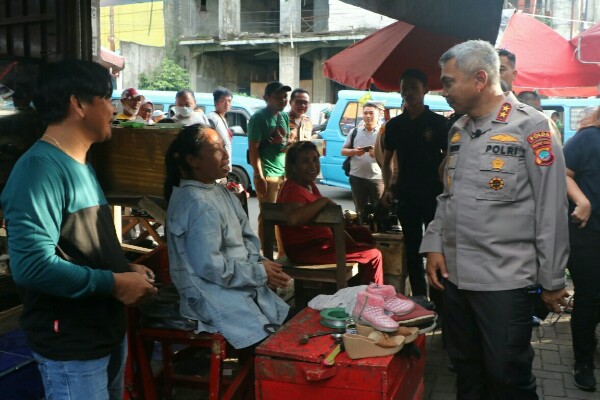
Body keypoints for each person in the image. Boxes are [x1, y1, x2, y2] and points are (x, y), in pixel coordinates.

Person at [0, 59, 157, 399]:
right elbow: (31, 267)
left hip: (104, 332)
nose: (114, 108)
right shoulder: (39, 170)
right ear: (79, 103)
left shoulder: (81, 164)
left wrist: (124, 268)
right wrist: (114, 282)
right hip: (71, 344)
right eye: (107, 98)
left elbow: (78, 245)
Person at [421, 40, 569, 398]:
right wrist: (434, 245)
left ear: (479, 79)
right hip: (456, 281)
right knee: (467, 373)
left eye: (448, 82)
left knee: (507, 378)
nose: (443, 92)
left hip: (504, 284)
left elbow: (551, 208)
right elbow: (448, 196)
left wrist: (552, 281)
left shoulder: (532, 128)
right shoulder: (458, 130)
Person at [164, 123, 290, 349]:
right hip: (212, 293)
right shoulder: (197, 203)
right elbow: (210, 267)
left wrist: (259, 264)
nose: (225, 153)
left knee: (285, 318)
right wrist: (258, 273)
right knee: (272, 345)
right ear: (193, 160)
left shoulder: (220, 191)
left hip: (234, 281)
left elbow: (248, 238)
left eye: (224, 146)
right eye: (216, 149)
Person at [381, 69, 448, 309]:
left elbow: (450, 159)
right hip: (406, 195)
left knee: (436, 247)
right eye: (404, 88)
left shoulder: (439, 124)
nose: (408, 92)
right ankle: (419, 297)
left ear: (425, 90)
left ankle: (440, 299)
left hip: (434, 195)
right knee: (412, 247)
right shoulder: (394, 126)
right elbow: (386, 160)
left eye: (413, 87)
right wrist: (387, 188)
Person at [277, 141, 384, 285]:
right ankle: (372, 297)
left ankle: (356, 288)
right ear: (294, 167)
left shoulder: (309, 185)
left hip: (322, 243)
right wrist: (324, 201)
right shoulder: (292, 189)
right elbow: (293, 219)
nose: (312, 166)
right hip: (307, 251)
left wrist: (351, 239)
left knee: (363, 233)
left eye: (315, 159)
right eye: (305, 161)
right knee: (374, 255)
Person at [563, 106, 600, 391]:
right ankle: (583, 361)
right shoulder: (589, 138)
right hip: (588, 233)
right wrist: (582, 201)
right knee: (589, 297)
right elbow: (561, 172)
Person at [248, 81, 291, 254]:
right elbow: (253, 149)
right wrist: (259, 176)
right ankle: (266, 255)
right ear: (266, 98)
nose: (283, 101)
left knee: (284, 216)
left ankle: (282, 253)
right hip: (268, 174)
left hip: (283, 173)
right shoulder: (259, 118)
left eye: (285, 97)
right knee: (267, 217)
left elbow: (284, 145)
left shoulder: (284, 117)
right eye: (278, 97)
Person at [341, 101, 384, 223]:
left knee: (380, 211)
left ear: (378, 115)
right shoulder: (354, 132)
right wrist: (354, 151)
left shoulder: (383, 132)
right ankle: (362, 236)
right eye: (365, 113)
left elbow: (391, 156)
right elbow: (343, 151)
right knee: (360, 212)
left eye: (371, 113)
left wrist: (376, 154)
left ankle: (377, 235)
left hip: (378, 178)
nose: (368, 116)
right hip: (357, 177)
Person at [207, 86, 233, 169]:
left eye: (229, 101)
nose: (227, 104)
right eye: (223, 101)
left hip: (224, 163)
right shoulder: (212, 118)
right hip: (216, 165)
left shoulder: (222, 118)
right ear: (215, 102)